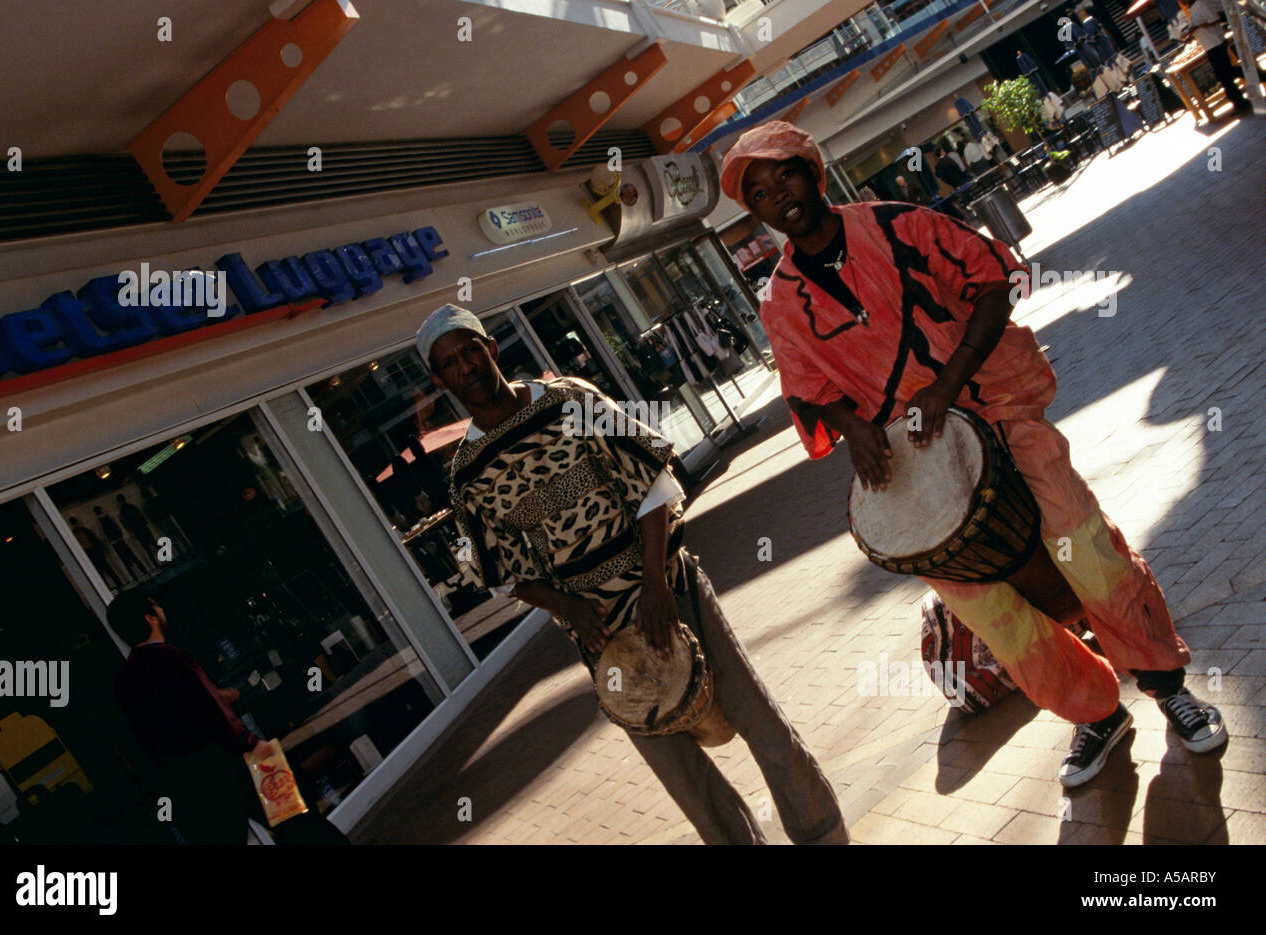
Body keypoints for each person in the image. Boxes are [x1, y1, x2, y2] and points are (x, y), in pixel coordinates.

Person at [719, 121, 1226, 789]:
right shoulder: (782, 302)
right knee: (990, 610)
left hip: (998, 412)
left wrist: (949, 380)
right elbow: (807, 393)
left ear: (811, 170)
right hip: (917, 469)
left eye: (782, 172)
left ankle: (1166, 685)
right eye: (757, 191)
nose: (776, 192)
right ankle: (1095, 713)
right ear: (754, 212)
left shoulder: (898, 224)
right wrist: (854, 426)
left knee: (1083, 546)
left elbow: (993, 281)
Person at [420, 303, 848, 844]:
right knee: (684, 779)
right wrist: (568, 607)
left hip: (669, 589)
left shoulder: (568, 400)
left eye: (471, 350)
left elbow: (653, 482)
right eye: (451, 362)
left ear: (492, 349)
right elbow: (502, 573)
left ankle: (824, 835)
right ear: (439, 380)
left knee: (760, 723)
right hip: (600, 635)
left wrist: (654, 586)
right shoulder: (467, 476)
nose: (467, 367)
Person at [110, 593, 349, 844]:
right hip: (233, 760)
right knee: (300, 821)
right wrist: (253, 744)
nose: (162, 610)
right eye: (157, 607)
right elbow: (209, 710)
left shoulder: (125, 679)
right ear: (150, 619)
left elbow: (165, 718)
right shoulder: (170, 655)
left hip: (191, 779)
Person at [1181, 0, 1253, 115]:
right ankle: (1240, 101)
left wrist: (1197, 27)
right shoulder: (1192, 9)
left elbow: (1215, 19)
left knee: (1225, 74)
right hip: (1209, 45)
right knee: (1225, 75)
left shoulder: (1201, 4)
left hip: (1216, 42)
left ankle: (1253, 81)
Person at [68, 515, 122, 589]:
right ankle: (117, 584)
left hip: (90, 553)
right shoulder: (83, 530)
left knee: (101, 571)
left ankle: (108, 587)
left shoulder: (75, 534)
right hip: (93, 551)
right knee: (106, 569)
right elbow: (94, 539)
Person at [116, 493, 160, 568]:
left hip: (137, 531)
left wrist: (132, 530)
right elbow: (141, 516)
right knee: (154, 544)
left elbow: (125, 525)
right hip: (143, 528)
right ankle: (167, 558)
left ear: (119, 502)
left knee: (147, 549)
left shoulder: (122, 512)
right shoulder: (132, 507)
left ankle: (156, 564)